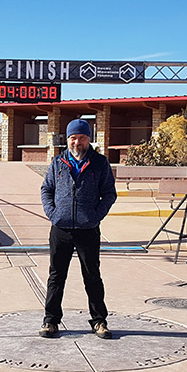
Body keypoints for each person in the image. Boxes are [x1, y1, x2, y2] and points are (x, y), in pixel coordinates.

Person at [39, 118, 117, 339]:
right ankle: (50, 321)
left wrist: (94, 216)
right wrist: (53, 213)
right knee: (56, 276)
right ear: (68, 139)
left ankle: (99, 321)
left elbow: (109, 194)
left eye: (82, 138)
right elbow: (46, 189)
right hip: (60, 229)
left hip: (87, 229)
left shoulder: (100, 163)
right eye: (73, 138)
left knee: (92, 276)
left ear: (88, 139)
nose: (77, 142)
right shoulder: (58, 162)